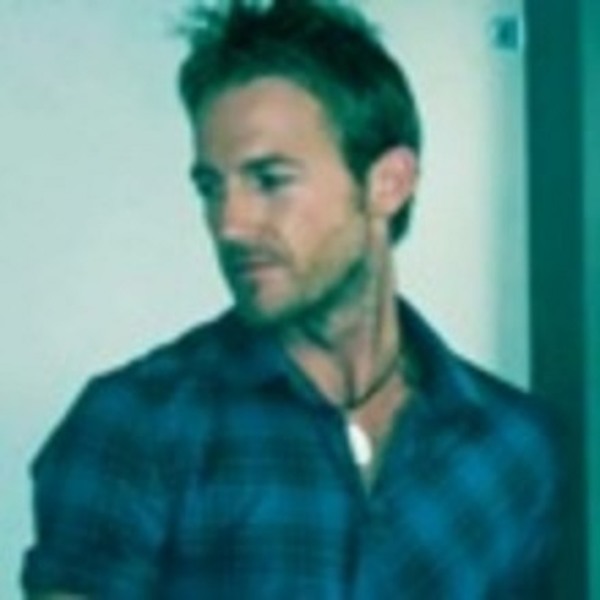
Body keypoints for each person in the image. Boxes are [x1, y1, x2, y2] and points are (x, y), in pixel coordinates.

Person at [22, 0, 561, 597]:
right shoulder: (135, 425)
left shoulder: (513, 448)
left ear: (389, 183)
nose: (229, 223)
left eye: (269, 180)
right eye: (211, 187)